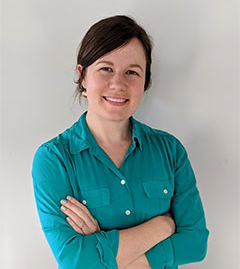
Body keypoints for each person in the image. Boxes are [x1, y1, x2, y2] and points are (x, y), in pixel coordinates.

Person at [32, 15, 209, 269]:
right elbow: (73, 260)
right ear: (83, 76)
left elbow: (195, 244)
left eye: (132, 72)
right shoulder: (54, 159)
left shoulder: (170, 151)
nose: (118, 83)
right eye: (106, 69)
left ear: (145, 82)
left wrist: (100, 250)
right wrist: (163, 225)